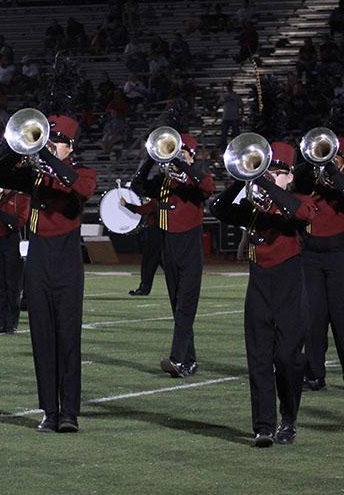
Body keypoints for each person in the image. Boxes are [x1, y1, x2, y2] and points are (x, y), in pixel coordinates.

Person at [0, 115, 97, 433]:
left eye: (56, 142)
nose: (49, 146)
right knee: (42, 338)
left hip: (67, 262)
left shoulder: (82, 173)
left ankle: (70, 413)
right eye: (47, 141)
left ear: (71, 146)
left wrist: (46, 156)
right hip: (37, 262)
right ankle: (50, 410)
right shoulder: (35, 178)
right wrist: (21, 149)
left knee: (68, 337)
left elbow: (81, 190)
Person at [211, 142, 317, 447]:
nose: (271, 175)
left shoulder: (299, 199)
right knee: (258, 360)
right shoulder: (254, 210)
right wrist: (242, 177)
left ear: (291, 176)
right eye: (267, 169)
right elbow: (218, 208)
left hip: (290, 287)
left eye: (277, 171)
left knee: (287, 359)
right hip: (258, 288)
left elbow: (301, 214)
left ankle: (290, 417)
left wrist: (268, 187)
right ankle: (264, 426)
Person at [131, 132, 214, 378]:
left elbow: (208, 187)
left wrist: (179, 162)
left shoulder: (195, 180)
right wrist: (150, 157)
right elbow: (137, 185)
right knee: (178, 306)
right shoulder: (164, 181)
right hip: (169, 247)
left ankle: (177, 359)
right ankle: (189, 361)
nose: (176, 156)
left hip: (189, 247)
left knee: (185, 307)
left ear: (191, 155)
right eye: (173, 152)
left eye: (182, 152)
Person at [296, 137, 344, 392]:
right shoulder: (310, 181)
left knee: (342, 314)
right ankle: (314, 375)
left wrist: (334, 175)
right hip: (312, 255)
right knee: (313, 316)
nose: (327, 161)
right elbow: (295, 185)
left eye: (333, 157)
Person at [0, 188, 29, 333]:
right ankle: (0, 322)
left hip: (12, 241)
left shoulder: (21, 198)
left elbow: (19, 222)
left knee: (13, 285)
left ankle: (11, 322)